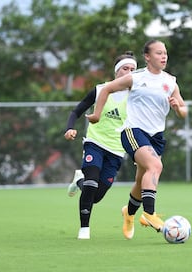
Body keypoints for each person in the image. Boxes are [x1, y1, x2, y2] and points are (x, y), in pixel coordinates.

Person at [86, 39, 188, 239]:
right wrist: (97, 115)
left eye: (165, 53)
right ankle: (149, 213)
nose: (164, 56)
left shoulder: (170, 81)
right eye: (158, 53)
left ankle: (129, 213)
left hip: (156, 137)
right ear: (147, 57)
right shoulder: (136, 78)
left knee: (142, 180)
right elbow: (106, 89)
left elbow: (184, 110)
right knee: (156, 166)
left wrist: (178, 108)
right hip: (133, 131)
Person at [64, 52, 137, 239]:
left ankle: (79, 179)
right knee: (91, 183)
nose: (129, 72)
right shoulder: (100, 90)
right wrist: (70, 128)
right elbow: (77, 110)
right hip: (94, 144)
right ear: (116, 72)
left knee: (96, 196)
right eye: (125, 69)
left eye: (133, 70)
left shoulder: (136, 96)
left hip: (117, 151)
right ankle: (84, 229)